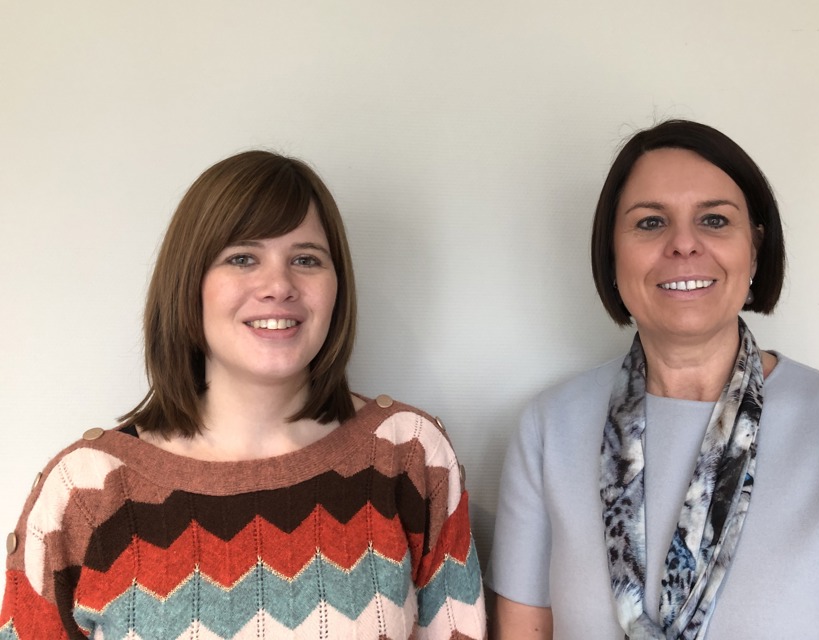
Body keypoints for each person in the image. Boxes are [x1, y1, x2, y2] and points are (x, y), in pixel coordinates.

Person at [486, 120, 819, 639]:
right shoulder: (550, 428)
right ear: (611, 253)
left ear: (754, 248)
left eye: (714, 220)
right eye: (650, 222)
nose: (683, 244)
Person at [0, 151, 485, 639]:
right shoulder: (85, 491)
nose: (278, 286)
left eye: (306, 259)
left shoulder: (409, 455)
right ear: (189, 283)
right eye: (242, 258)